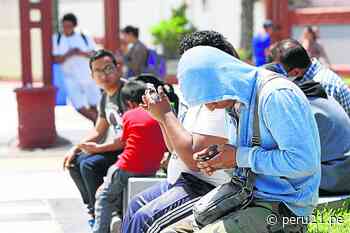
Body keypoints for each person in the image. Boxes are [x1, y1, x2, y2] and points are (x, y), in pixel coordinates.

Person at [148, 46, 321, 233]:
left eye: (210, 99)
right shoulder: (235, 101)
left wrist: (239, 156)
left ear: (222, 78)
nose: (211, 107)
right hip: (243, 197)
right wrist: (221, 159)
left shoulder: (275, 95)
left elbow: (303, 162)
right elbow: (245, 160)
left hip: (286, 209)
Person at [121, 31, 236, 233]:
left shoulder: (219, 102)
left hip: (205, 187)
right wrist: (161, 118)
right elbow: (174, 147)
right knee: (135, 205)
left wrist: (166, 114)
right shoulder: (198, 97)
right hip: (183, 182)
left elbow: (195, 160)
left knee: (145, 220)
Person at [92, 80, 167, 233]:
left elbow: (123, 141)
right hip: (151, 168)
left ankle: (100, 229)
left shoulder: (129, 115)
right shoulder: (161, 115)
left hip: (127, 167)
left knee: (103, 196)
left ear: (129, 103)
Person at [264, 62, 350, 195]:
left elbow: (290, 155)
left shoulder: (295, 104)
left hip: (335, 178)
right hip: (343, 171)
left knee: (270, 171)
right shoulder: (312, 90)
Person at [63, 50, 126, 228]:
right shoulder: (105, 96)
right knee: (75, 161)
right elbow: (99, 130)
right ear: (92, 76)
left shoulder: (127, 93)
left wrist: (98, 149)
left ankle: (106, 212)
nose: (104, 74)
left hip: (131, 148)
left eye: (108, 68)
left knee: (90, 164)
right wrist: (76, 147)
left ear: (118, 68)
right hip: (117, 145)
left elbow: (129, 137)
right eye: (98, 71)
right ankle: (93, 210)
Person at [278, 39, 350, 118]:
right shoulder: (314, 77)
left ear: (296, 72)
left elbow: (326, 123)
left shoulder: (322, 84)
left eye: (285, 74)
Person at [52, 13, 101, 123]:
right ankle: (98, 122)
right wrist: (69, 54)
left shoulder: (84, 36)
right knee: (78, 105)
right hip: (70, 77)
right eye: (64, 26)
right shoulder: (57, 39)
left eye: (69, 26)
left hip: (88, 75)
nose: (66, 29)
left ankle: (98, 130)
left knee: (93, 103)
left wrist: (81, 53)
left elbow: (95, 53)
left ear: (74, 26)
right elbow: (55, 59)